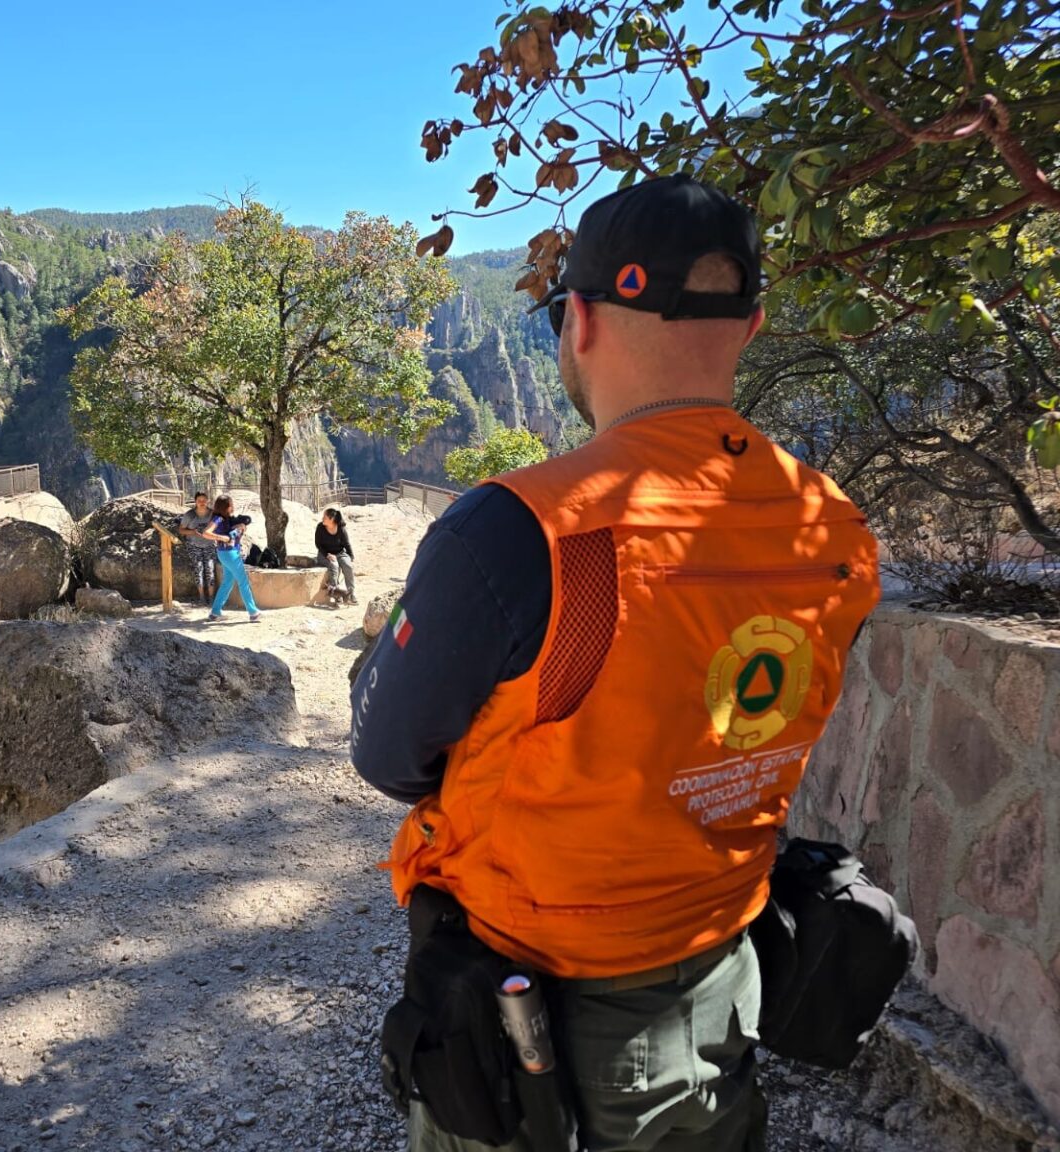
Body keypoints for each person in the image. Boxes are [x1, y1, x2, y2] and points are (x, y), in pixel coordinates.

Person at [351, 175, 880, 1152]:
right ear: (753, 326)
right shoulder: (832, 526)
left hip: (530, 999)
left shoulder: (528, 531)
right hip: (723, 974)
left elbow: (388, 757)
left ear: (580, 320)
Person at [202, 496, 260, 622]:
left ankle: (215, 612)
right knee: (243, 582)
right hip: (230, 554)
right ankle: (253, 612)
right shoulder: (218, 518)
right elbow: (206, 533)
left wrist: (240, 527)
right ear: (226, 507)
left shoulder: (225, 519)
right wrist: (223, 538)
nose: (232, 507)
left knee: (227, 583)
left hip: (225, 554)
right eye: (230, 505)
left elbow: (232, 532)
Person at [177, 492, 218, 605]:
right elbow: (181, 530)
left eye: (204, 500)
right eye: (199, 500)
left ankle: (211, 598)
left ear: (207, 501)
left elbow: (219, 526)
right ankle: (201, 597)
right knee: (198, 570)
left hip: (209, 545)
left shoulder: (212, 514)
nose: (202, 503)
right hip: (194, 546)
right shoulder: (189, 515)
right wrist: (193, 532)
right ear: (195, 501)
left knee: (210, 570)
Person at [316, 508, 356, 605]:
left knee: (348, 566)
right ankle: (336, 593)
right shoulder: (320, 527)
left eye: (324, 517)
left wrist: (350, 556)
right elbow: (318, 544)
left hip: (340, 553)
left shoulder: (341, 529)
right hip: (324, 554)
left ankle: (350, 594)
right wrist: (327, 555)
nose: (322, 518)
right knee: (334, 566)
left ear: (331, 519)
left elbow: (347, 544)